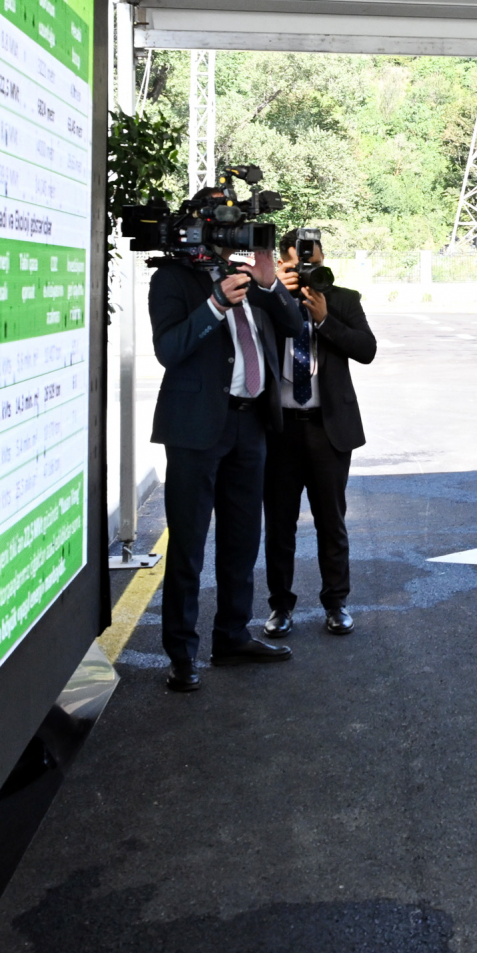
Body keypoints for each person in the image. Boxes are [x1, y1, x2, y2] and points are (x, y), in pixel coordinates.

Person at [148, 228, 306, 692]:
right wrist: (216, 303)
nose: (237, 234)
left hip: (250, 423)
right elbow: (168, 349)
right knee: (189, 546)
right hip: (195, 428)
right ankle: (181, 653)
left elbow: (295, 327)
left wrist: (269, 282)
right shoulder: (173, 279)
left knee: (242, 540)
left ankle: (232, 637)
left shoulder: (250, 277)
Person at [263, 231, 377, 638]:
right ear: (282, 263)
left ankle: (336, 603)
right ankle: (279, 607)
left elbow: (366, 349)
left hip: (328, 429)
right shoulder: (268, 297)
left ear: (325, 258)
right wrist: (275, 290)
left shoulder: (344, 299)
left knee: (332, 520)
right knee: (279, 524)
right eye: (294, 265)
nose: (304, 271)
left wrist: (325, 320)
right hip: (279, 430)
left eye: (310, 262)